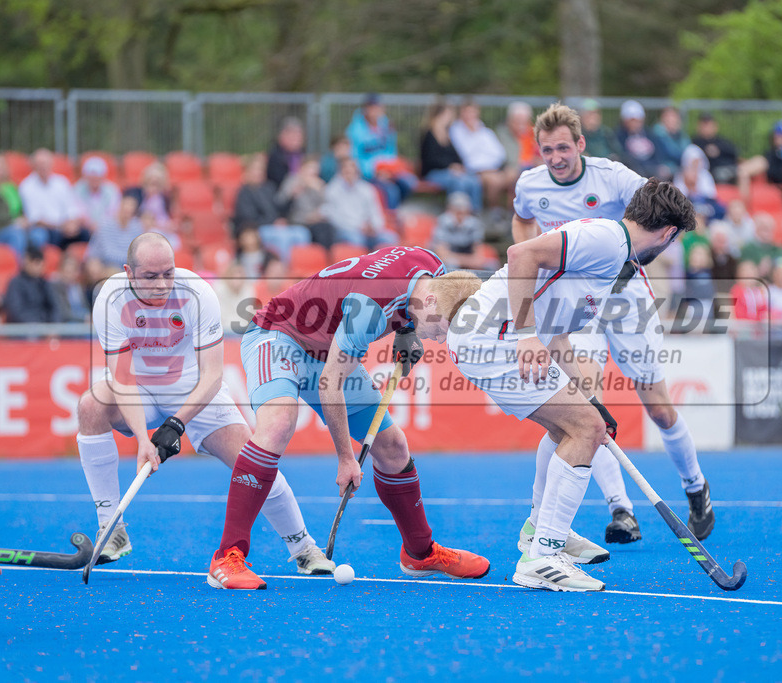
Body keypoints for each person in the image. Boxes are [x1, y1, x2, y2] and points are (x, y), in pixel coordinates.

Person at [443, 179, 695, 591]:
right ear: (668, 233)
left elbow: (558, 335)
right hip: (492, 339)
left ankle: (539, 531)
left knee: (577, 424)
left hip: (494, 338)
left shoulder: (612, 256)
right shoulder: (606, 241)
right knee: (585, 430)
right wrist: (526, 334)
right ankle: (542, 556)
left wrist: (590, 398)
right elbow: (520, 253)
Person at [207, 245, 490, 589]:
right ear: (430, 302)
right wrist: (345, 458)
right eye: (443, 328)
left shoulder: (433, 267)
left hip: (327, 348)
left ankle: (420, 553)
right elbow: (330, 383)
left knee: (392, 447)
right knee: (278, 424)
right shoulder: (368, 311)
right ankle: (227, 556)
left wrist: (406, 331)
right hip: (279, 334)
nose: (441, 340)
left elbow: (404, 294)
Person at [510, 103, 715, 547]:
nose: (555, 158)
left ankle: (695, 485)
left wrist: (632, 263)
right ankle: (620, 508)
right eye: (547, 150)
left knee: (658, 408)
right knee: (586, 400)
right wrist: (534, 256)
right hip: (573, 301)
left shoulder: (613, 175)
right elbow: (522, 220)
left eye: (563, 148)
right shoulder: (529, 184)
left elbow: (667, 216)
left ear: (580, 144)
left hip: (625, 296)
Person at [80, 232, 334, 575]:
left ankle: (303, 547)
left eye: (168, 273)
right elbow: (122, 378)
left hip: (195, 388)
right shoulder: (110, 297)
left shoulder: (197, 293)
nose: (162, 285)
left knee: (253, 461)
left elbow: (212, 375)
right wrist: (143, 440)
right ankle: (111, 527)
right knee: (90, 406)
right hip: (137, 386)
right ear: (128, 273)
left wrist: (176, 424)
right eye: (150, 277)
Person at [345, 93, 416, 209]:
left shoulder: (386, 125)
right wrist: (374, 172)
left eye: (377, 107)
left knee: (409, 182)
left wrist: (389, 169)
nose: (374, 111)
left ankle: (393, 213)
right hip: (367, 175)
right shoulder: (355, 129)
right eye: (371, 107)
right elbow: (354, 158)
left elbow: (391, 151)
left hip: (387, 170)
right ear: (365, 109)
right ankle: (387, 216)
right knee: (391, 191)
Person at [233, 154, 309, 261]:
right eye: (255, 170)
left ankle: (301, 264)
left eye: (260, 170)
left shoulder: (269, 188)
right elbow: (248, 218)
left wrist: (291, 198)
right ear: (248, 172)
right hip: (259, 229)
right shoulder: (244, 193)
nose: (259, 173)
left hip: (276, 226)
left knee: (302, 232)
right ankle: (283, 268)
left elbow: (279, 208)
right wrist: (273, 222)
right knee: (282, 238)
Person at [19, 149, 88, 251]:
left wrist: (72, 223)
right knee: (45, 236)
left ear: (51, 164)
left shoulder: (62, 182)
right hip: (47, 229)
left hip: (65, 226)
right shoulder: (26, 186)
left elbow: (71, 208)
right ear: (33, 166)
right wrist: (61, 226)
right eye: (40, 164)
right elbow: (35, 218)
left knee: (86, 234)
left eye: (46, 163)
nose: (43, 167)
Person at [449, 100, 511, 212]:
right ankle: (494, 211)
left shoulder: (485, 132)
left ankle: (510, 212)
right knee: (494, 182)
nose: (470, 116)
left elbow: (499, 153)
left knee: (513, 176)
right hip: (474, 171)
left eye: (472, 112)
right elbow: (466, 155)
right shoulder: (456, 131)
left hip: (493, 169)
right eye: (467, 112)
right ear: (461, 113)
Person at [418, 103, 482, 211]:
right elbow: (430, 160)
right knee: (458, 182)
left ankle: (473, 212)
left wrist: (458, 166)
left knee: (474, 180)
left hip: (450, 172)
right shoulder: (429, 135)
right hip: (433, 173)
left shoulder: (448, 135)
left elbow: (456, 156)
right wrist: (449, 167)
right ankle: (457, 212)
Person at [322, 157, 395, 249]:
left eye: (353, 170)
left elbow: (375, 212)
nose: (350, 173)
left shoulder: (367, 189)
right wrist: (359, 227)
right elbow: (335, 218)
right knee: (356, 240)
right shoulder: (332, 190)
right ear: (340, 172)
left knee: (389, 238)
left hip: (367, 230)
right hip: (346, 230)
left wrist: (374, 227)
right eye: (347, 171)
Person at [276, 157, 336, 252]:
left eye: (316, 169)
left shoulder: (318, 184)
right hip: (297, 221)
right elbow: (281, 202)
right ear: (302, 168)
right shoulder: (292, 180)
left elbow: (326, 206)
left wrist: (320, 191)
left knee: (328, 229)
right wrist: (293, 193)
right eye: (310, 168)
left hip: (316, 220)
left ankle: (326, 257)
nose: (313, 172)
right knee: (318, 232)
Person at [86, 194, 144, 271]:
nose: (127, 213)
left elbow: (137, 253)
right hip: (105, 264)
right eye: (125, 209)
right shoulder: (106, 225)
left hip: (128, 266)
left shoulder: (137, 226)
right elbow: (103, 253)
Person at [432, 192, 489, 269]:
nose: (460, 215)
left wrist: (471, 261)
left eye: (463, 211)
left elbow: (479, 254)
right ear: (450, 210)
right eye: (457, 211)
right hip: (450, 262)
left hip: (465, 258)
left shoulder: (474, 223)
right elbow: (442, 254)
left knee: (491, 265)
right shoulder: (442, 221)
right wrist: (467, 261)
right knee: (452, 265)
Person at [2, 246, 59, 323]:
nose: (40, 268)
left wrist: (53, 325)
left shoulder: (44, 282)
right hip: (24, 327)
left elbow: (54, 307)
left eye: (41, 265)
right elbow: (16, 312)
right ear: (27, 262)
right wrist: (37, 325)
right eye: (36, 264)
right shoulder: (16, 283)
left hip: (45, 326)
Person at [73, 156, 121, 236]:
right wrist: (90, 224)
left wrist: (100, 225)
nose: (94, 179)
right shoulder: (77, 189)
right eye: (91, 177)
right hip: (85, 229)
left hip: (107, 229)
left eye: (97, 177)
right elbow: (77, 211)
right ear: (85, 177)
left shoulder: (112, 190)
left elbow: (113, 212)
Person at [615, 100, 659, 179]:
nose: (635, 124)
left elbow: (658, 153)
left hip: (651, 168)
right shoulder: (619, 136)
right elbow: (623, 156)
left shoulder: (649, 134)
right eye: (632, 120)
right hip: (632, 172)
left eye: (638, 120)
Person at [692, 112, 739, 184]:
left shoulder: (721, 141)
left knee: (743, 172)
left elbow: (734, 153)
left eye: (709, 125)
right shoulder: (696, 143)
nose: (707, 128)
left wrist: (718, 150)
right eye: (705, 125)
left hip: (731, 168)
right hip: (714, 172)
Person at [266, 116, 306, 189]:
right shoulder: (275, 156)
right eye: (293, 136)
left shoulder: (302, 153)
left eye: (299, 135)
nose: (297, 139)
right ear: (282, 136)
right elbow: (279, 182)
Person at [652, 107, 691, 179]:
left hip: (681, 167)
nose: (671, 120)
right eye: (668, 117)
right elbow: (672, 153)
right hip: (665, 167)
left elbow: (687, 152)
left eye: (673, 117)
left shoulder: (682, 135)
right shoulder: (658, 134)